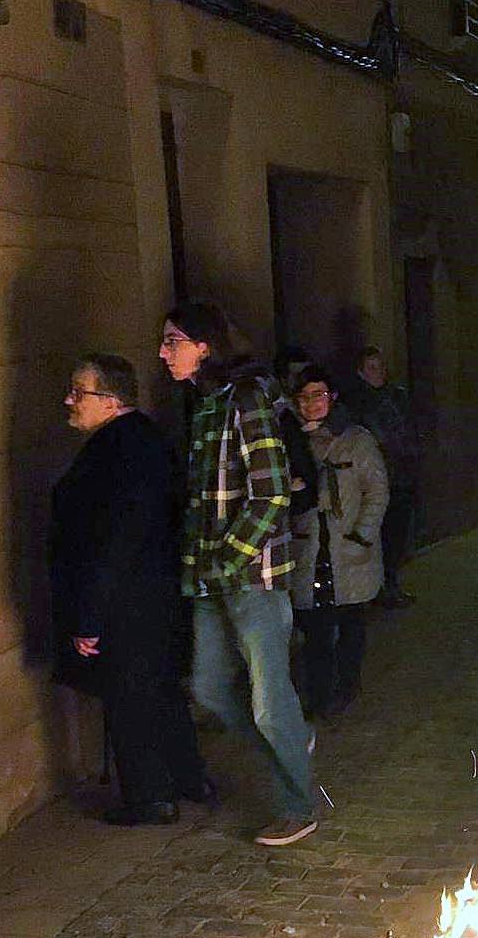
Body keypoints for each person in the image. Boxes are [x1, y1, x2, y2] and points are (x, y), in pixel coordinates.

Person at [160, 301, 319, 847]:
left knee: (270, 705)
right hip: (212, 579)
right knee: (207, 688)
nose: (164, 352)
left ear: (204, 347)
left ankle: (298, 806)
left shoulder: (247, 399)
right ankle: (294, 743)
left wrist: (229, 559)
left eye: (173, 341)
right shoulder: (206, 405)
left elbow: (271, 492)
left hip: (251, 578)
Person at [50, 354, 210, 825]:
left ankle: (150, 797)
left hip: (125, 601)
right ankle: (186, 777)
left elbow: (110, 542)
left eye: (80, 392)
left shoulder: (115, 453)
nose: (69, 401)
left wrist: (89, 618)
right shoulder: (144, 440)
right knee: (161, 691)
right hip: (154, 593)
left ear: (111, 400)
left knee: (130, 697)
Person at [289, 367, 388, 720]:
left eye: (319, 395)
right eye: (304, 397)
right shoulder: (290, 441)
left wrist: (362, 534)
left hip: (347, 547)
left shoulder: (356, 439)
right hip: (309, 548)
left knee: (350, 621)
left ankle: (346, 686)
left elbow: (375, 489)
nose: (312, 404)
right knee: (315, 627)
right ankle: (318, 694)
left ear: (331, 397)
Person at [342, 346, 422, 608]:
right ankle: (380, 588)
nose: (379, 373)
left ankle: (389, 584)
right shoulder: (358, 403)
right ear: (361, 371)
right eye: (372, 368)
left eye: (380, 367)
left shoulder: (394, 397)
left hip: (400, 475)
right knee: (382, 534)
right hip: (380, 478)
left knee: (397, 534)